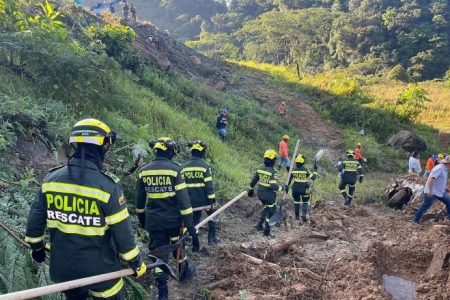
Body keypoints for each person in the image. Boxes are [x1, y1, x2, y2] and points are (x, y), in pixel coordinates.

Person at [25, 119, 146, 300]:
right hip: (101, 274)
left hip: (64, 272)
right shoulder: (108, 187)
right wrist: (136, 262)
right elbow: (123, 234)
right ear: (101, 147)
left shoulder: (51, 180)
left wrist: (37, 248)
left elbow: (34, 224)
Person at [136, 137, 196, 300]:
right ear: (170, 151)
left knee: (158, 254)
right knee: (178, 246)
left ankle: (163, 292)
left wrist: (142, 219)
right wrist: (190, 226)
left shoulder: (144, 170)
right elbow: (184, 202)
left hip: (154, 222)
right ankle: (183, 273)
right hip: (174, 222)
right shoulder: (175, 170)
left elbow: (140, 201)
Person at [181, 140, 219, 252]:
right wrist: (213, 202)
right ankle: (211, 238)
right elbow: (209, 187)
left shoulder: (183, 167)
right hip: (204, 201)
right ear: (202, 152)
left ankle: (193, 242)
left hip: (189, 201)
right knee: (213, 216)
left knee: (193, 222)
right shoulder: (205, 167)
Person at [248, 150, 288, 238]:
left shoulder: (260, 169)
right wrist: (283, 188)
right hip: (269, 196)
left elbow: (254, 181)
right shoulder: (272, 171)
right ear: (273, 160)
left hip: (260, 193)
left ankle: (259, 225)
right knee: (271, 212)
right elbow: (273, 185)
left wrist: (250, 189)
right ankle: (266, 232)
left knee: (267, 208)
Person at [414, 155, 450, 224]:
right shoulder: (439, 168)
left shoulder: (445, 169)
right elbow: (431, 179)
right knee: (426, 205)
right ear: (448, 163)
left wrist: (445, 188)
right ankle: (416, 219)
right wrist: (430, 191)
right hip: (432, 191)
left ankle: (448, 220)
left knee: (449, 202)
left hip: (440, 192)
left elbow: (439, 180)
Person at [288, 154, 317, 222]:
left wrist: (287, 187)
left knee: (296, 201)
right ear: (303, 161)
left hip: (295, 189)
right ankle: (303, 213)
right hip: (304, 188)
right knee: (305, 201)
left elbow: (289, 180)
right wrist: (315, 170)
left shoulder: (293, 170)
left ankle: (297, 216)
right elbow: (313, 177)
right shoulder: (305, 170)